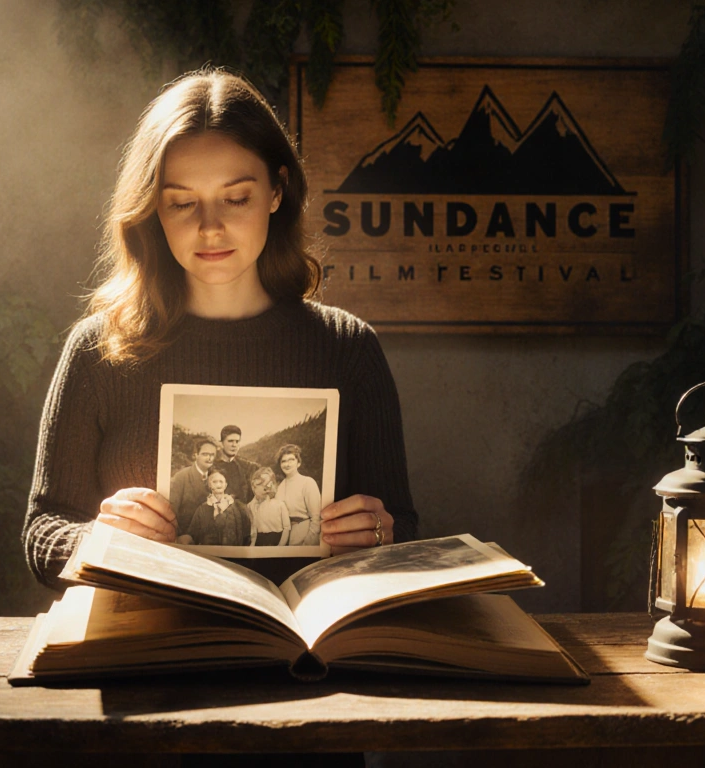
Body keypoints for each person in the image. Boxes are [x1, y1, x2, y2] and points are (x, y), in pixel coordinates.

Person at [22, 68, 415, 589]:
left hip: (303, 660)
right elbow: (42, 529)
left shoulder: (349, 349)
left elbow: (403, 528)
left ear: (277, 192)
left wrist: (380, 535)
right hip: (146, 657)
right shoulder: (99, 349)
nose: (210, 227)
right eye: (182, 202)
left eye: (236, 199)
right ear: (152, 210)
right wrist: (96, 540)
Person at [182, 470, 250, 546]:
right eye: (214, 482)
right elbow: (193, 534)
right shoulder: (202, 509)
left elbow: (247, 535)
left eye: (221, 481)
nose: (218, 484)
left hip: (233, 553)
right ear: (209, 485)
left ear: (225, 485)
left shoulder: (238, 507)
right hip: (209, 553)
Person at [168, 437, 218, 539]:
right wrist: (179, 536)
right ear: (195, 455)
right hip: (186, 538)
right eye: (205, 454)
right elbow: (171, 511)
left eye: (212, 455)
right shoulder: (181, 477)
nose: (209, 458)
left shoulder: (217, 477)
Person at [274, 443, 323, 547]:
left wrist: (308, 544)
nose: (287, 464)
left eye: (291, 460)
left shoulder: (308, 482)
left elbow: (316, 518)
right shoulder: (279, 487)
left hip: (303, 536)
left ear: (298, 463)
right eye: (283, 461)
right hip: (284, 539)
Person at [214, 425, 260, 504]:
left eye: (237, 441)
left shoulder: (247, 466)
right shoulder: (212, 467)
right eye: (230, 441)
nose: (234, 445)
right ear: (221, 443)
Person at [247, 466, 291, 546]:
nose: (265, 488)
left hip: (278, 541)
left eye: (268, 484)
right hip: (259, 543)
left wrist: (280, 546)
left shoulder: (280, 505)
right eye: (260, 484)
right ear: (253, 486)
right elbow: (253, 531)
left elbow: (286, 528)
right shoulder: (250, 506)